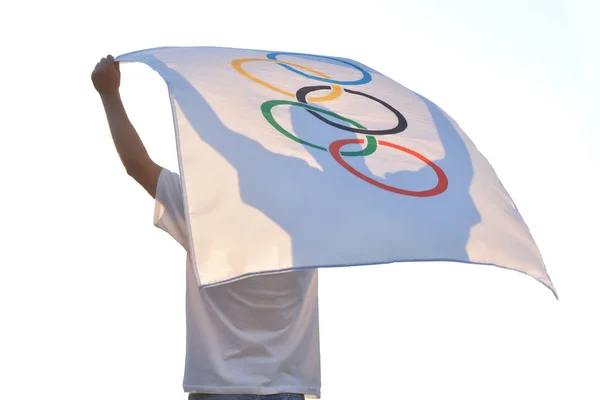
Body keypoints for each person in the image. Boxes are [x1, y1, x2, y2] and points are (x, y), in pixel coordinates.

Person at [92, 55, 321, 400]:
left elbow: (137, 165)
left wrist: (110, 95)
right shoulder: (314, 217)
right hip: (285, 390)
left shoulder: (207, 209)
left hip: (217, 388)